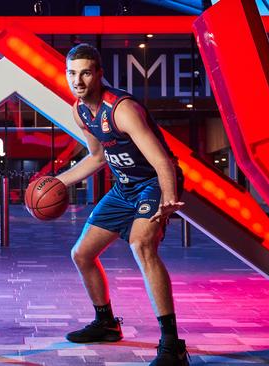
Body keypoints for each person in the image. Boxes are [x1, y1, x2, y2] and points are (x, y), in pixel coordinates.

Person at [55, 44, 189, 366]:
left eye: (86, 72)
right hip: (124, 188)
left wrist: (168, 200)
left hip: (154, 183)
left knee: (141, 244)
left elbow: (162, 161)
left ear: (99, 74)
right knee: (81, 253)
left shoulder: (121, 109)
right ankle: (106, 323)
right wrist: (60, 181)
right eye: (72, 73)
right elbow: (98, 157)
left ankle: (172, 344)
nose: (78, 80)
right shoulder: (79, 111)